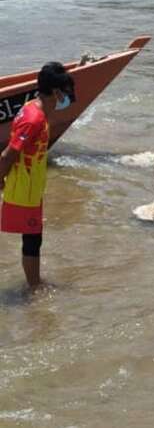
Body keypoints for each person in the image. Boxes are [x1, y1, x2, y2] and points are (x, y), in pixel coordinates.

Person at [0, 62, 75, 290]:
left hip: (32, 186)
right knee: (32, 239)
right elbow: (8, 154)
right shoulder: (34, 119)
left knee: (33, 237)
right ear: (56, 92)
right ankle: (34, 288)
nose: (68, 97)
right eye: (66, 91)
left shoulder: (35, 109)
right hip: (24, 188)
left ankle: (34, 283)